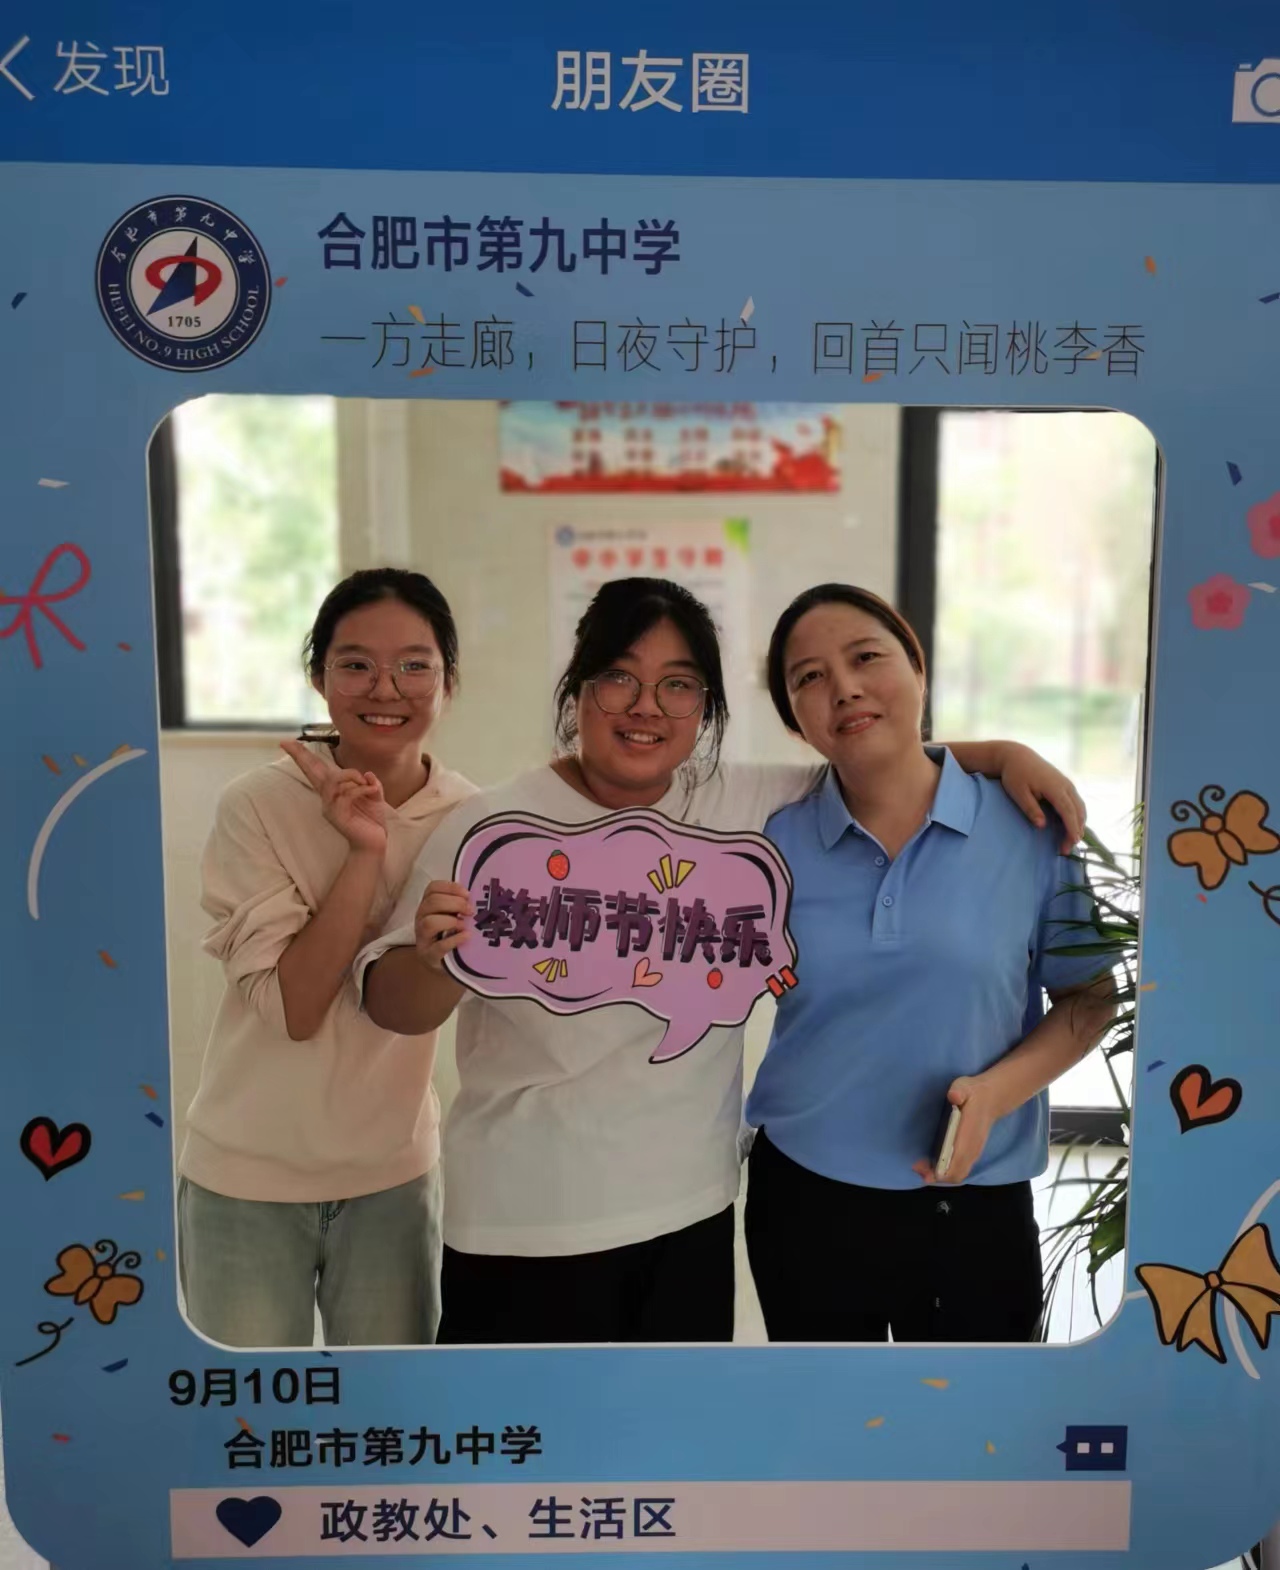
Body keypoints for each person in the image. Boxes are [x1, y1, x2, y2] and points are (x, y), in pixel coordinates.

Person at [357, 576, 1085, 1346]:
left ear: (705, 709)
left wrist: (1003, 755)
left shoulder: (741, 804)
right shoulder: (490, 826)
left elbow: (877, 759)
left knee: (680, 1429)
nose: (647, 707)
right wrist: (435, 962)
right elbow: (389, 1007)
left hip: (688, 1214)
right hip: (522, 1219)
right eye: (620, 678)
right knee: (523, 1427)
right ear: (578, 688)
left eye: (678, 685)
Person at [744, 583, 1116, 1345]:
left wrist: (996, 1093)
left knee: (981, 1420)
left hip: (973, 1200)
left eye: (865, 657)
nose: (843, 687)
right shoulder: (770, 843)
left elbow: (1089, 999)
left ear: (917, 667)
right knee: (828, 1415)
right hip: (804, 1197)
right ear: (794, 720)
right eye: (809, 677)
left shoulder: (1028, 825)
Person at [177, 568, 474, 1347]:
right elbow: (296, 1009)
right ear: (319, 676)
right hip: (245, 1176)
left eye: (415, 665)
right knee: (251, 1415)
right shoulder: (257, 804)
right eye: (356, 664)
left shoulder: (473, 821)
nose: (386, 688)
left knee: (386, 1413)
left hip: (392, 1178)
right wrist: (364, 852)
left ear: (448, 681)